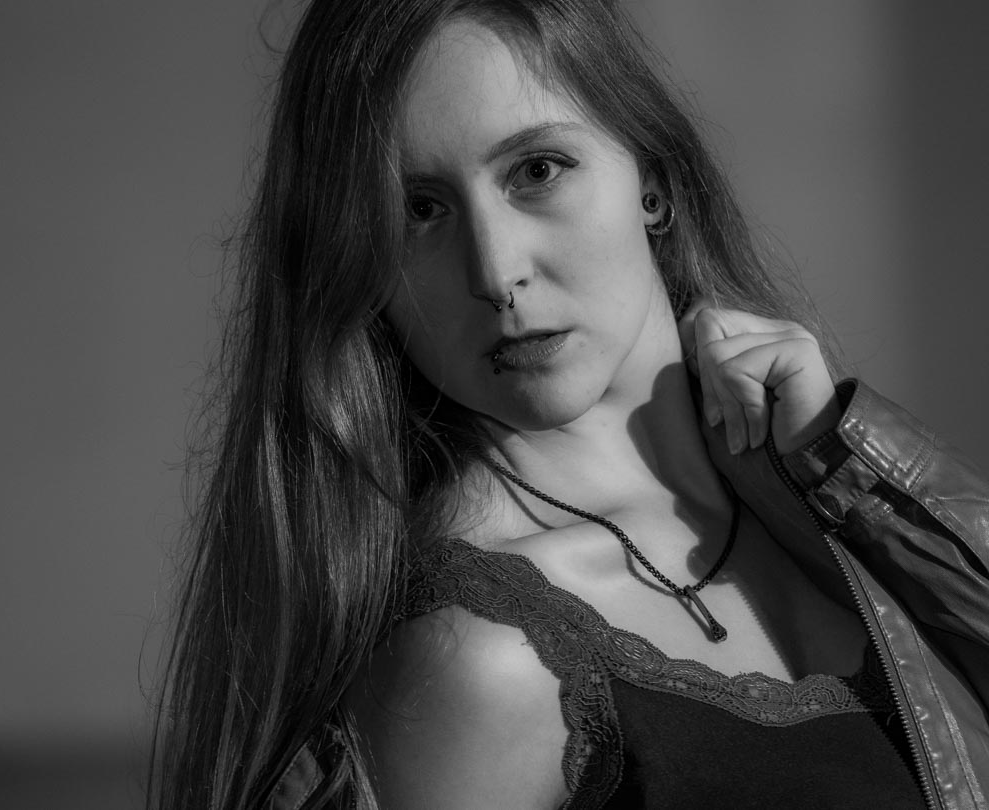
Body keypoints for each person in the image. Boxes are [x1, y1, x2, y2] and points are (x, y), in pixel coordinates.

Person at [149, 1, 989, 808]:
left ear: (652, 181)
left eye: (537, 171)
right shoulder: (481, 659)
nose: (495, 272)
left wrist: (852, 470)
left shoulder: (827, 501)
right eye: (418, 211)